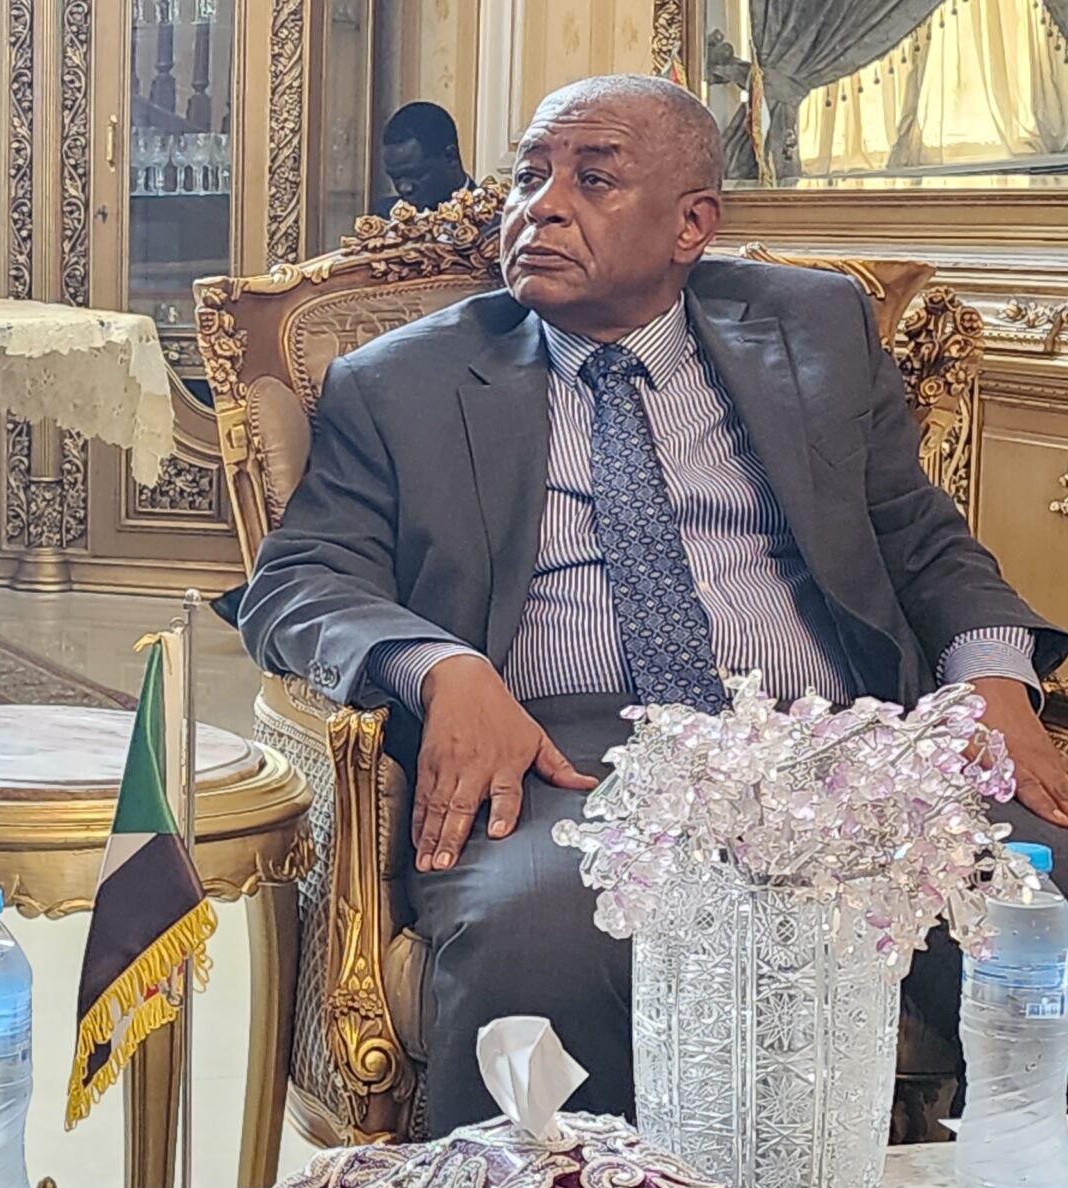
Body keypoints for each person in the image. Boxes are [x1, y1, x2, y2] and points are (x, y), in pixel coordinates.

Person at [241, 74, 1068, 1134]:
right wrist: (442, 666)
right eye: (529, 177)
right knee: (536, 934)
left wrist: (991, 676)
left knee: (1035, 886)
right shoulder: (400, 382)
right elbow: (302, 577)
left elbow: (916, 533)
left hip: (839, 743)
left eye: (593, 180)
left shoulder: (813, 327)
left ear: (692, 226)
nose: (540, 208)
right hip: (568, 753)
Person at [381, 99, 472, 210]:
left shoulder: (489, 216)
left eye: (415, 175)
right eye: (395, 177)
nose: (405, 188)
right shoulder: (384, 215)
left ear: (450, 157)